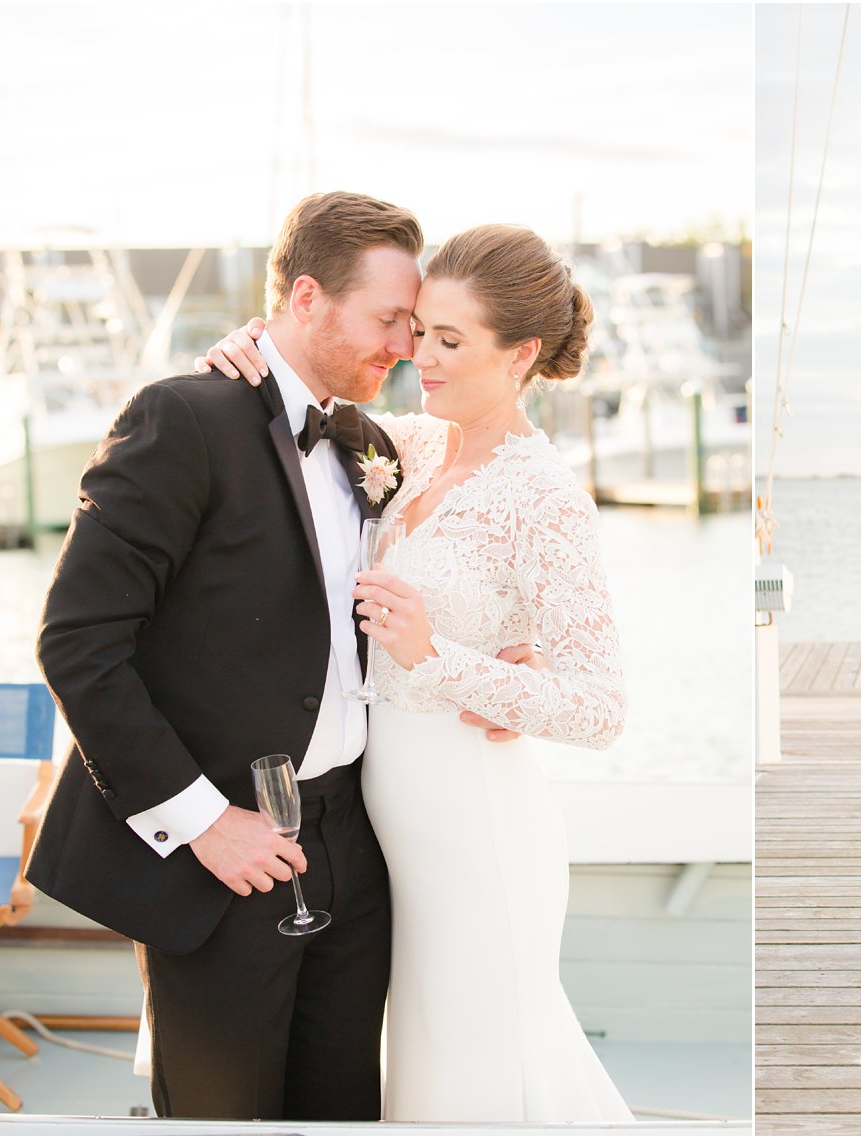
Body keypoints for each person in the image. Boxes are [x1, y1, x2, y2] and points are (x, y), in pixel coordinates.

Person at [205, 223, 632, 1122]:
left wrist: (442, 659)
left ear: (520, 355)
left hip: (477, 828)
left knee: (473, 1072)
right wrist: (251, 342)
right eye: (418, 330)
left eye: (448, 340)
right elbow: (301, 406)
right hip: (386, 831)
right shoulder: (414, 445)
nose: (416, 355)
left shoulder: (545, 495)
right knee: (418, 1069)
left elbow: (600, 707)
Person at [29, 191, 427, 1120]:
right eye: (387, 320)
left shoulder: (373, 447)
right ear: (304, 298)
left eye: (414, 323)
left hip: (351, 845)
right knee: (221, 1119)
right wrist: (204, 823)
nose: (405, 345)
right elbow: (77, 639)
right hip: (223, 855)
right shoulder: (182, 418)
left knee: (342, 1110)